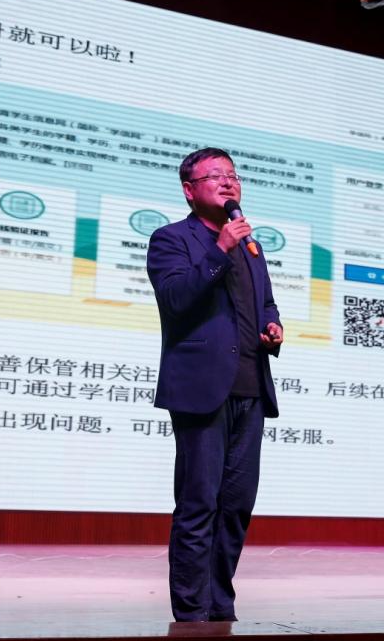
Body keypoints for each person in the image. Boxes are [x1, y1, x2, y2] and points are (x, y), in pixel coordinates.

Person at [146, 147, 284, 622]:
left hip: (251, 387)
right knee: (199, 503)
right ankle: (191, 614)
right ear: (189, 190)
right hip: (201, 390)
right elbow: (175, 298)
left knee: (236, 506)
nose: (228, 182)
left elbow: (266, 302)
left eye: (233, 175)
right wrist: (219, 248)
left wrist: (272, 326)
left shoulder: (252, 246)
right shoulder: (171, 239)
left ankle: (220, 607)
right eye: (215, 176)